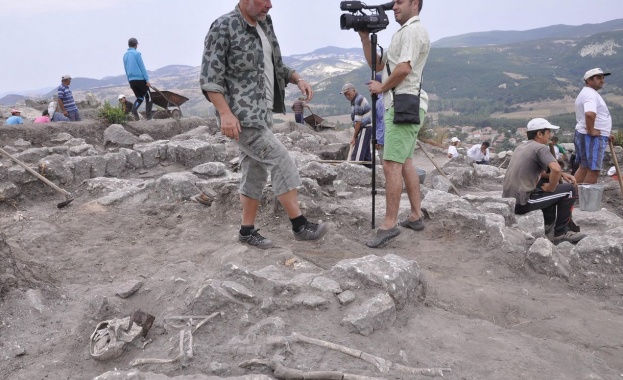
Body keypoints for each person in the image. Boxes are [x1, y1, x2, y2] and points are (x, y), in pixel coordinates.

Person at [200, 0, 329, 249]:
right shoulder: (223, 27)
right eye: (264, 0)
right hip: (242, 118)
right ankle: (300, 225)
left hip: (263, 113)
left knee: (255, 169)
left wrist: (297, 79)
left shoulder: (264, 23)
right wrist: (225, 114)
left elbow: (275, 65)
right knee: (281, 160)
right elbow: (210, 79)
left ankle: (246, 231)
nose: (270, 5)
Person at [358, 0, 430, 248]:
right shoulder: (404, 32)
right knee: (406, 161)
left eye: (400, 1)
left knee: (391, 164)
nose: (394, 6)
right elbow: (378, 65)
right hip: (406, 103)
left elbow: (403, 69)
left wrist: (382, 86)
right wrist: (365, 39)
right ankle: (415, 216)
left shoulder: (411, 30)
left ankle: (389, 225)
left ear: (415, 4)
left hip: (402, 103)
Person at [502, 118, 585, 244]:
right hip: (522, 202)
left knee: (546, 182)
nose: (550, 135)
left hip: (508, 199)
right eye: (548, 132)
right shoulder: (541, 148)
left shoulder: (521, 147)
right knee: (570, 190)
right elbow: (555, 170)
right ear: (539, 134)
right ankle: (560, 233)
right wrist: (551, 187)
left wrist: (562, 175)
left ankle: (547, 223)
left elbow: (540, 172)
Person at [573, 68, 613, 185]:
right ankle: (588, 200)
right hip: (592, 137)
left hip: (586, 133)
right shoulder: (590, 94)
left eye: (603, 77)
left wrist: (606, 133)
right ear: (589, 80)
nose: (602, 80)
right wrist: (591, 131)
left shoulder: (586, 93)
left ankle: (572, 197)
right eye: (599, 77)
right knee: (594, 170)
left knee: (584, 167)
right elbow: (590, 114)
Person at [341, 83, 372, 165]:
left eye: (348, 94)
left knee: (357, 156)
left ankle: (354, 171)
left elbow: (358, 122)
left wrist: (354, 137)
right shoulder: (355, 100)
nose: (347, 96)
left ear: (354, 90)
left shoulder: (358, 100)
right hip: (366, 128)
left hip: (365, 128)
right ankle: (369, 170)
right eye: (345, 95)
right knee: (366, 154)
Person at [123, 37, 153, 121]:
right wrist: (147, 80)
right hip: (140, 79)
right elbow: (142, 67)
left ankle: (133, 110)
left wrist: (129, 81)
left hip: (131, 80)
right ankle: (149, 117)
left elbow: (126, 69)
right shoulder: (137, 54)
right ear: (136, 45)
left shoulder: (125, 56)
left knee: (140, 98)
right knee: (149, 97)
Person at [374, 73, 386, 165]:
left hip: (384, 139)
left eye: (371, 84)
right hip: (384, 138)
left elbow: (382, 122)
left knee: (385, 163)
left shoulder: (381, 101)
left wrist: (378, 139)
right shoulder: (381, 99)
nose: (369, 87)